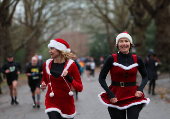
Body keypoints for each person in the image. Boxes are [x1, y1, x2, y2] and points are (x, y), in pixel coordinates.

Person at [98, 31, 150, 119]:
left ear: (130, 44)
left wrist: (140, 89)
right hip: (116, 96)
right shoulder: (111, 58)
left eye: (126, 41)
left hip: (133, 95)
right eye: (121, 41)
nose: (124, 43)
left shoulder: (137, 59)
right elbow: (101, 78)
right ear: (117, 44)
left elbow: (145, 76)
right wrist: (110, 94)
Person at [40, 38, 83, 119]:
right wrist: (43, 84)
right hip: (51, 101)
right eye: (50, 49)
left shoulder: (72, 65)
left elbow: (80, 88)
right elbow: (44, 80)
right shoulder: (46, 64)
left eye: (52, 48)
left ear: (60, 50)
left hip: (66, 103)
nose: (50, 51)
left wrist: (69, 78)